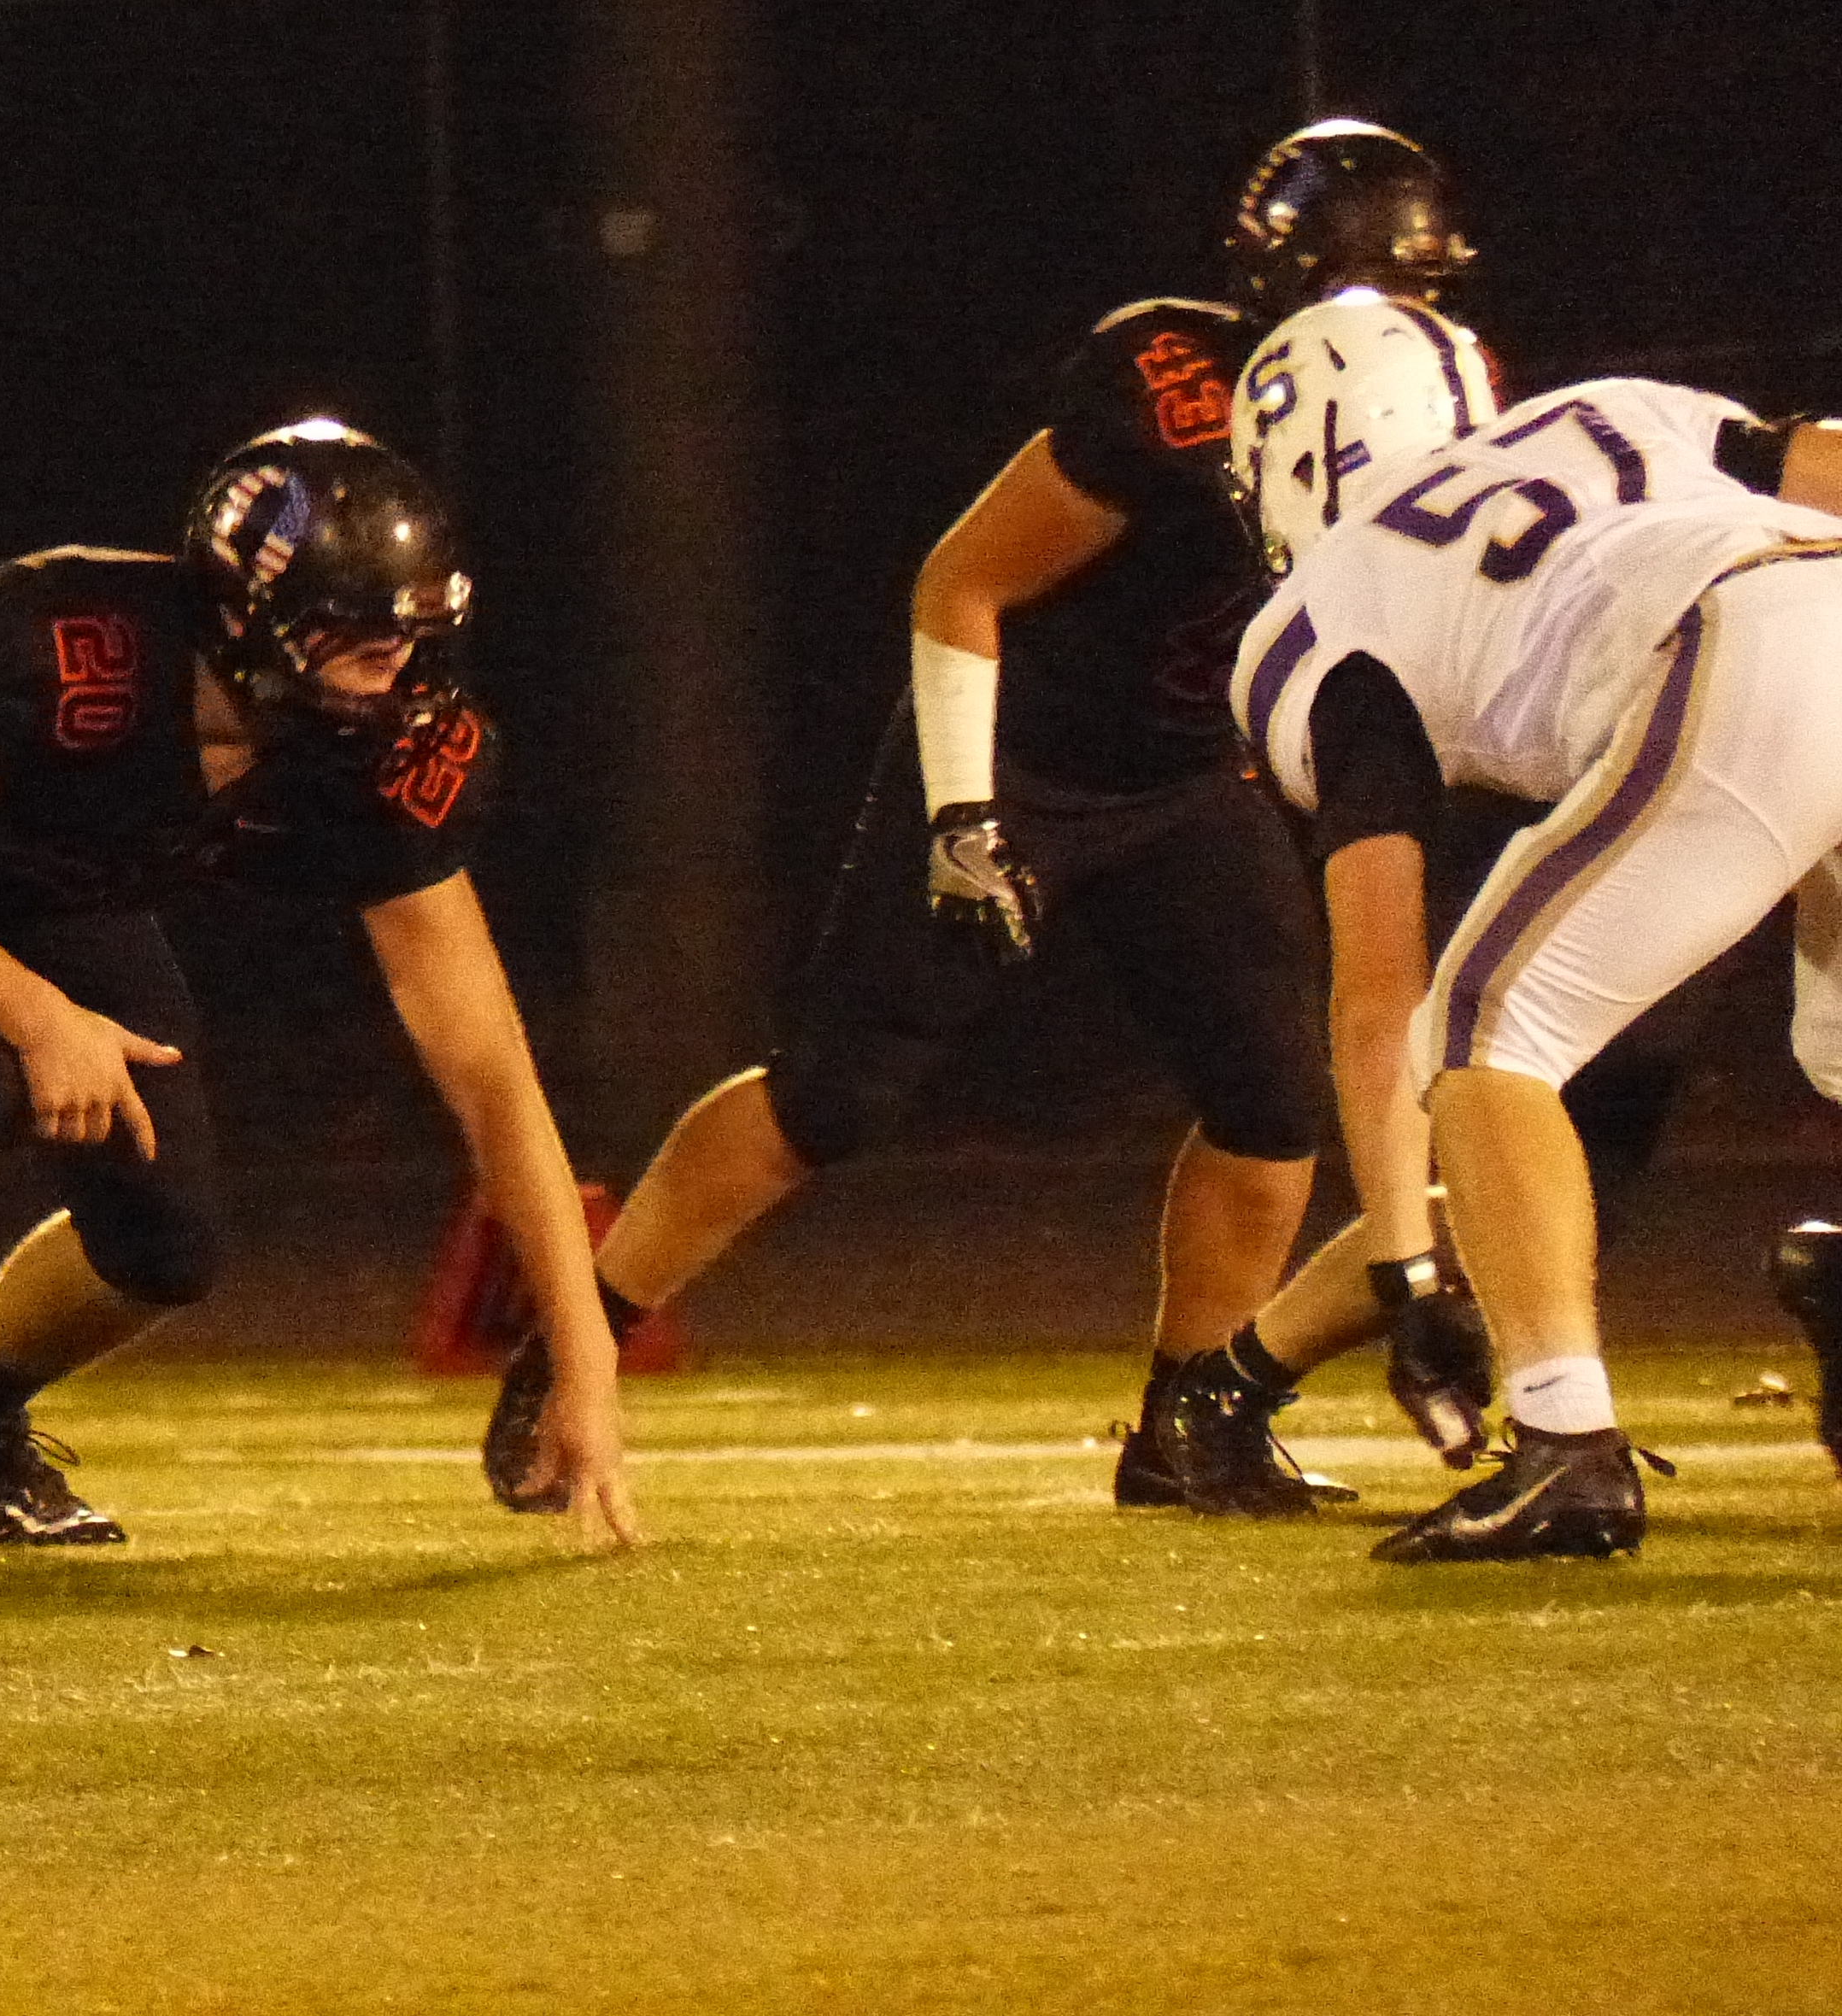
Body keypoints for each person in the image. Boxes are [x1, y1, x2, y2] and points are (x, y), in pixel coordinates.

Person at [0, 420, 638, 1570]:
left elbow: (489, 1074)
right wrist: (38, 1016)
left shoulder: (389, 754)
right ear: (247, 619)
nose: (401, 670)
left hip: (56, 874)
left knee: (166, 1246)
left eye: (413, 636)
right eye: (361, 637)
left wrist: (585, 1363)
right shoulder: (83, 658)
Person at [484, 278, 1337, 1519]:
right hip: (1014, 760)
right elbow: (958, 584)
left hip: (1189, 776)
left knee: (1275, 1103)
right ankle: (576, 1338)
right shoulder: (1173, 398)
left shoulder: (1430, 411)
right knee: (830, 1098)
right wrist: (963, 816)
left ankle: (1192, 1430)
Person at [1213, 290, 1842, 1559]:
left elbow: (1379, 988)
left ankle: (1565, 1446)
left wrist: (1410, 1270)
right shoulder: (1610, 410)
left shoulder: (1323, 609)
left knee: (1484, 1029)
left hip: (1742, 641)